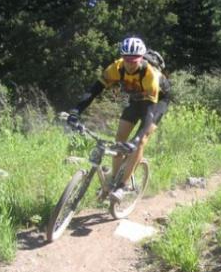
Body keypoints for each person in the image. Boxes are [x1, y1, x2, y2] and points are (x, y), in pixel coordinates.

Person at [67, 36, 170, 201]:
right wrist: (76, 111)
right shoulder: (116, 67)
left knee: (140, 141)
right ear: (122, 57)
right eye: (127, 59)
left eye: (134, 60)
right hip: (136, 100)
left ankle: (124, 185)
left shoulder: (150, 74)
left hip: (156, 103)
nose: (129, 64)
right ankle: (114, 180)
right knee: (119, 141)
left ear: (141, 58)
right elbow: (94, 90)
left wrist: (135, 140)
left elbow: (149, 113)